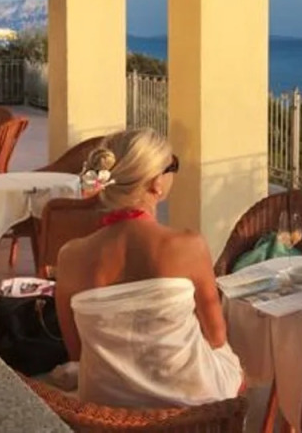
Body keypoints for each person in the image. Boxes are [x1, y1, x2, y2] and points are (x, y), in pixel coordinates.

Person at [54, 128, 242, 408]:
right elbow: (216, 337)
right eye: (172, 166)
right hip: (191, 408)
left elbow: (77, 352)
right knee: (236, 365)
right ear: (156, 184)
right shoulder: (187, 246)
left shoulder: (70, 257)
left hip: (106, 411)